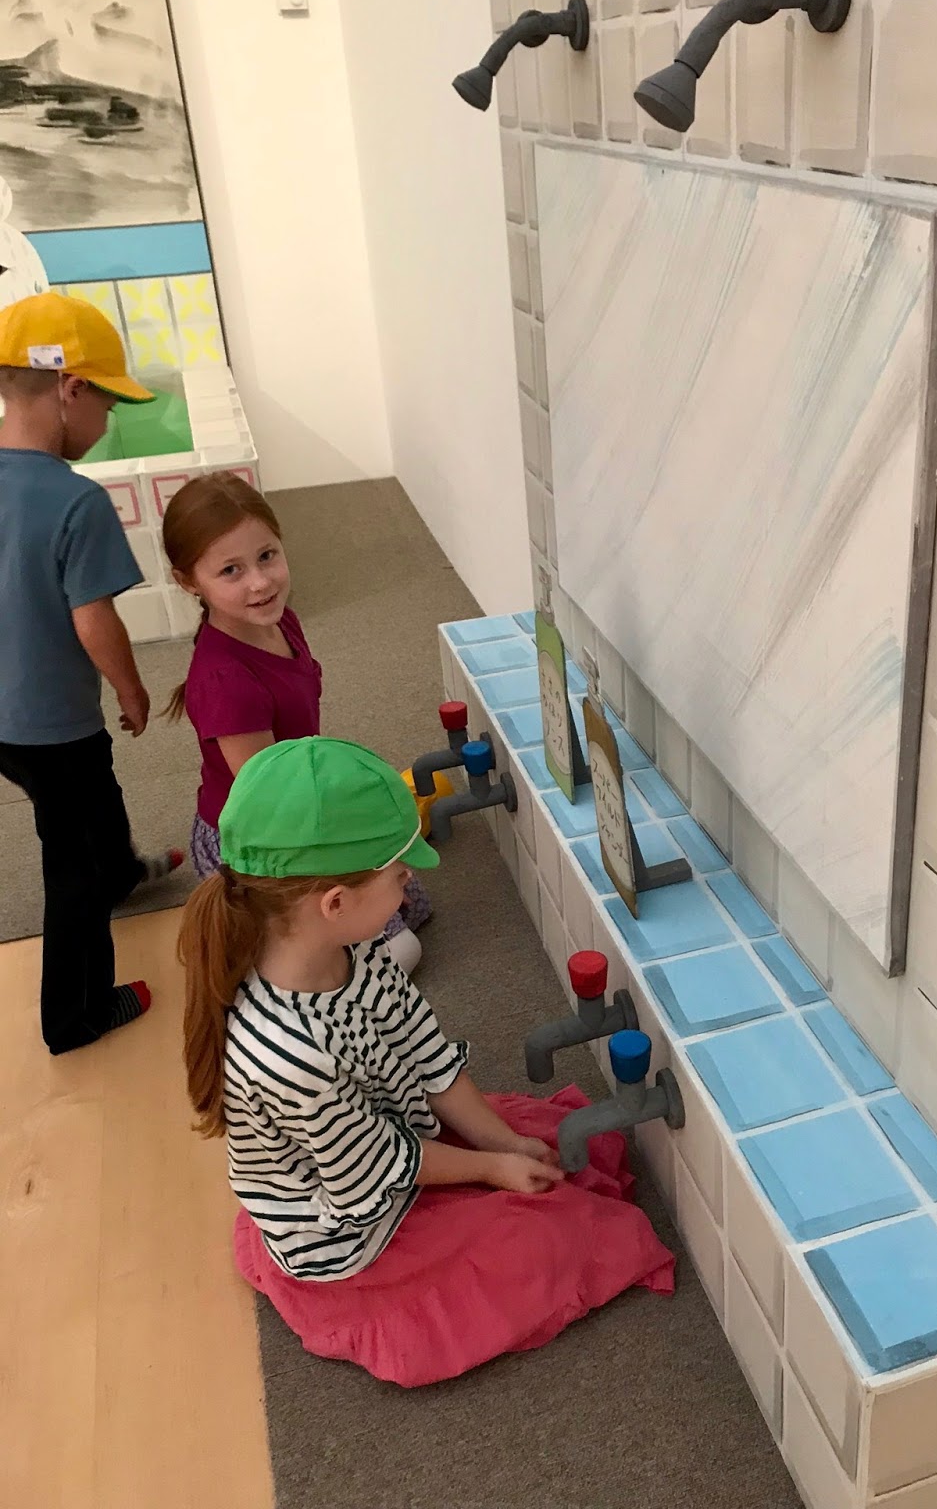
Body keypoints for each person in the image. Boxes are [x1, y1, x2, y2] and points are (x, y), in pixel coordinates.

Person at [178, 736, 674, 1385]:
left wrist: (501, 1141)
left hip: (389, 1135)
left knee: (542, 1152)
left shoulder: (352, 948)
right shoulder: (287, 1055)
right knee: (554, 1242)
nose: (410, 882)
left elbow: (422, 1049)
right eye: (398, 875)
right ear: (335, 902)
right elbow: (373, 1170)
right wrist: (490, 1166)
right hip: (350, 1226)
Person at [0, 292, 182, 1054]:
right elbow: (93, 620)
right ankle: (73, 1015)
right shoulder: (76, 501)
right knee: (68, 856)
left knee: (94, 797)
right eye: (106, 403)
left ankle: (122, 872)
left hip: (7, 723)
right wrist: (131, 689)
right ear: (70, 389)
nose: (107, 422)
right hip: (49, 723)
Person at [159, 471, 431, 966]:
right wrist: (347, 856)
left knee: (407, 901)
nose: (260, 582)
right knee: (399, 949)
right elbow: (273, 804)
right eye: (231, 570)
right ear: (188, 581)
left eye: (267, 556)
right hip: (258, 846)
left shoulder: (280, 619)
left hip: (299, 804)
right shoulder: (225, 681)